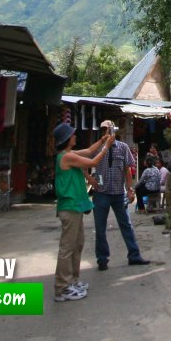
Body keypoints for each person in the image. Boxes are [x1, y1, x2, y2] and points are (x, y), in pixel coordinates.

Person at [51, 122, 112, 302]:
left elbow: (88, 152)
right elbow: (93, 161)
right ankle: (62, 287)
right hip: (69, 206)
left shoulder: (69, 154)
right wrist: (107, 146)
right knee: (67, 248)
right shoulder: (66, 157)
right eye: (72, 135)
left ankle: (72, 280)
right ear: (66, 139)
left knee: (77, 244)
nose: (75, 136)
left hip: (75, 206)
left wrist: (101, 140)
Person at [89, 120, 149, 269]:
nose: (106, 132)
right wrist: (89, 178)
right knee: (100, 227)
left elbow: (127, 169)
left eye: (109, 129)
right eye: (104, 129)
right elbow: (84, 163)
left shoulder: (122, 148)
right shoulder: (97, 148)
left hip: (118, 193)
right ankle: (102, 259)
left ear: (114, 131)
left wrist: (130, 189)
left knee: (126, 225)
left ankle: (134, 255)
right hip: (101, 193)